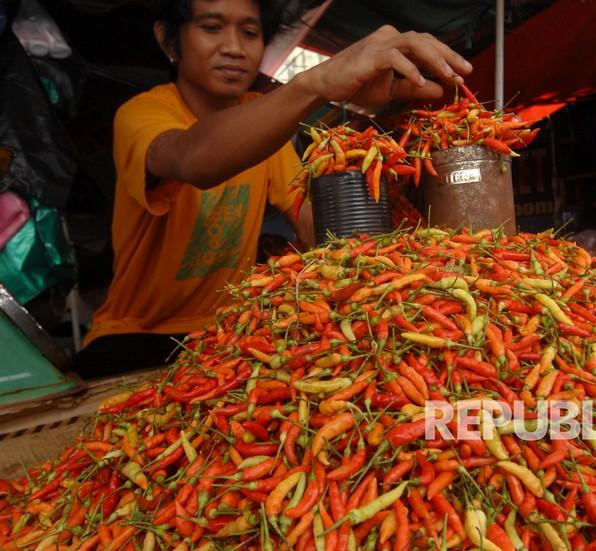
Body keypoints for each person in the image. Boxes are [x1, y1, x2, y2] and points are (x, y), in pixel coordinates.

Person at [73, 0, 473, 376]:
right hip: (135, 338)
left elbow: (315, 226)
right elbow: (191, 159)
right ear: (167, 40)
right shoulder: (143, 113)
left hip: (222, 338)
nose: (233, 47)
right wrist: (314, 84)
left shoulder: (268, 128)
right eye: (212, 28)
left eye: (249, 33)